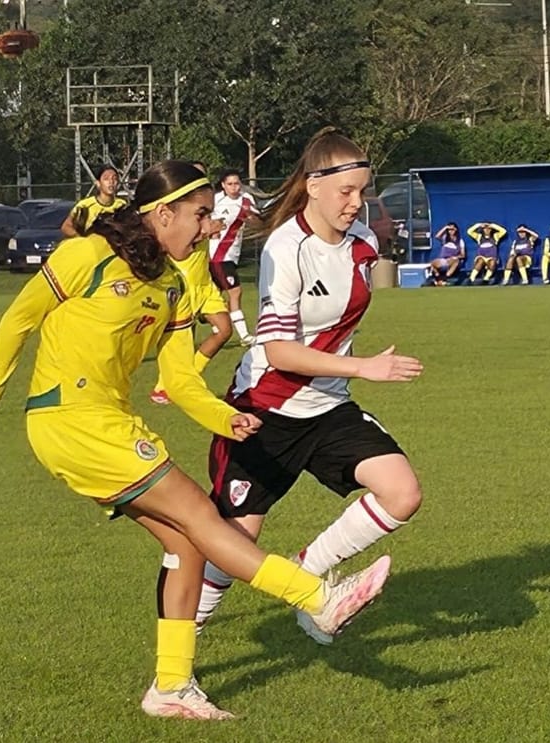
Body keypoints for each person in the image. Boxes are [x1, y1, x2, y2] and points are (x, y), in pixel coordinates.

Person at [0, 159, 391, 720]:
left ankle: (170, 687)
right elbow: (18, 320)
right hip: (70, 420)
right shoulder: (87, 255)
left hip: (110, 422)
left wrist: (223, 418)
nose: (209, 226)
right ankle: (318, 597)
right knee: (203, 518)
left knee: (186, 544)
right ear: (163, 213)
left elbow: (180, 378)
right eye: (200, 214)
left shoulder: (172, 284)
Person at [193, 128, 424, 648]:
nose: (356, 202)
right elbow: (278, 351)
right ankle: (179, 651)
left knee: (402, 492)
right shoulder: (285, 248)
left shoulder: (364, 244)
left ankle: (307, 573)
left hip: (328, 406)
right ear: (313, 186)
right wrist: (364, 368)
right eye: (346, 191)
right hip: (265, 409)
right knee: (234, 543)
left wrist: (350, 372)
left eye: (362, 190)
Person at [149, 160, 233, 405]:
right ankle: (164, 388)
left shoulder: (205, 207)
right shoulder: (180, 210)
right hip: (185, 281)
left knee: (224, 330)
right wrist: (209, 229)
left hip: (204, 283)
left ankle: (190, 377)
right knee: (180, 344)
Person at [209, 169, 260, 346]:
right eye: (230, 184)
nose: (234, 187)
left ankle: (215, 326)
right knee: (235, 292)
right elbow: (204, 220)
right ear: (223, 185)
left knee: (214, 295)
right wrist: (212, 229)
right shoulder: (216, 200)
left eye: (236, 183)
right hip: (218, 254)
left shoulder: (246, 200)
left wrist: (250, 216)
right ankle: (244, 336)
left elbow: (256, 222)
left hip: (233, 253)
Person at [61, 163, 127, 237]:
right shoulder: (85, 205)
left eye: (114, 178)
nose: (111, 182)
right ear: (98, 183)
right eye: (106, 178)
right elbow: (66, 227)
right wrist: (82, 240)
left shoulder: (122, 205)